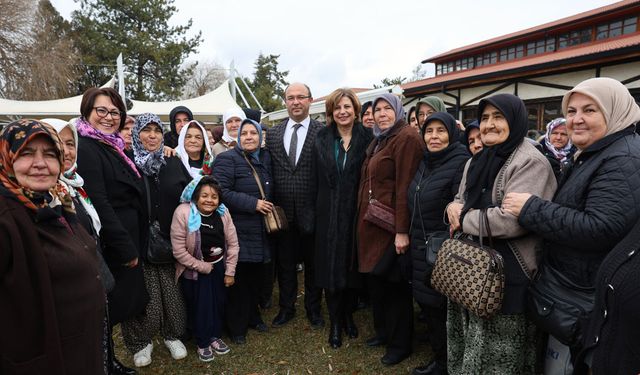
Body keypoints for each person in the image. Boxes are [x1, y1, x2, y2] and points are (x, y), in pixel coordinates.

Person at [502, 77, 640, 369]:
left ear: (614, 111)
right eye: (571, 111)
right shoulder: (597, 152)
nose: (576, 119)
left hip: (588, 294)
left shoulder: (623, 158)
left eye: (589, 110)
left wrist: (531, 208)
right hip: (574, 286)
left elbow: (600, 227)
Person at [446, 93, 557, 374]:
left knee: (501, 356)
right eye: (484, 118)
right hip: (471, 268)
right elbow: (460, 198)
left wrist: (464, 218)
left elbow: (511, 222)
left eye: (499, 117)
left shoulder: (530, 162)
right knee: (471, 344)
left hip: (510, 275)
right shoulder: (478, 159)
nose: (489, 125)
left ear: (515, 120)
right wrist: (451, 206)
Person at [0, 120, 105, 374]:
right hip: (43, 359)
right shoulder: (6, 216)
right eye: (26, 153)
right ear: (6, 157)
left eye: (50, 154)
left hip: (80, 347)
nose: (40, 163)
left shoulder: (56, 200)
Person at [76, 87, 148, 375]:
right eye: (101, 111)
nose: (108, 117)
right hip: (113, 240)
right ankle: (102, 364)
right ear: (87, 112)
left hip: (128, 231)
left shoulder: (112, 145)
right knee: (106, 308)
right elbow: (101, 202)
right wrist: (125, 247)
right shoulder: (87, 146)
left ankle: (108, 361)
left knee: (111, 311)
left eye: (115, 112)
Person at [356, 93, 425, 366]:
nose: (381, 113)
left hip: (390, 226)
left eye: (387, 108)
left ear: (398, 111)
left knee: (395, 286)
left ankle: (401, 344)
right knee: (378, 283)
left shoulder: (406, 137)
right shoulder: (379, 139)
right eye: (377, 109)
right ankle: (384, 332)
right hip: (371, 225)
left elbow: (404, 186)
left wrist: (401, 231)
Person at [120, 113, 189, 367]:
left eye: (157, 131)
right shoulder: (127, 162)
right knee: (143, 292)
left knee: (172, 290)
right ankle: (141, 342)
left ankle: (172, 335)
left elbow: (189, 190)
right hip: (138, 238)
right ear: (137, 133)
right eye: (146, 130)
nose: (152, 136)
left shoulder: (172, 161)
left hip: (170, 238)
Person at [408, 112, 469, 375]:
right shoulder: (425, 161)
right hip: (420, 245)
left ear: (452, 134)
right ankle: (440, 359)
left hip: (442, 250)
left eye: (440, 131)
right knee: (429, 308)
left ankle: (446, 364)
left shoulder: (461, 161)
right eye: (429, 131)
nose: (434, 137)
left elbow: (460, 202)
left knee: (442, 310)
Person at [314, 88, 373, 349]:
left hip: (356, 213)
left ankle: (349, 315)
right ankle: (335, 323)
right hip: (327, 214)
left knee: (351, 268)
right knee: (330, 269)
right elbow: (314, 179)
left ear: (356, 110)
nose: (343, 112)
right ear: (331, 112)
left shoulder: (368, 138)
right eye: (338, 107)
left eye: (347, 106)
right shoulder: (321, 138)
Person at [265, 82, 325, 329]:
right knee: (285, 265)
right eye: (291, 97)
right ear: (285, 101)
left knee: (313, 265)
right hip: (282, 214)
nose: (296, 102)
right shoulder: (274, 134)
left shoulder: (322, 132)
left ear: (310, 100)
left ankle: (314, 309)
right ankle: (286, 308)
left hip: (312, 210)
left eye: (301, 97)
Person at [213, 119, 273, 345]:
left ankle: (253, 317)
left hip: (260, 229)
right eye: (244, 133)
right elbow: (221, 191)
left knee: (255, 277)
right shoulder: (227, 159)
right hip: (237, 228)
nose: (249, 137)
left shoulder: (264, 159)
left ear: (260, 137)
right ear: (237, 138)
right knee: (238, 279)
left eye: (253, 133)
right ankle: (236, 326)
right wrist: (253, 204)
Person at [171, 176, 239, 362]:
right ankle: (202, 342)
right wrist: (202, 266)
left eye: (214, 197)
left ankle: (214, 336)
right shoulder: (183, 212)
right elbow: (178, 251)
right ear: (195, 196)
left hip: (218, 266)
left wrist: (229, 271)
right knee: (201, 306)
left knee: (218, 302)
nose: (209, 200)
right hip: (194, 270)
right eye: (204, 196)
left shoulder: (223, 213)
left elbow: (233, 244)